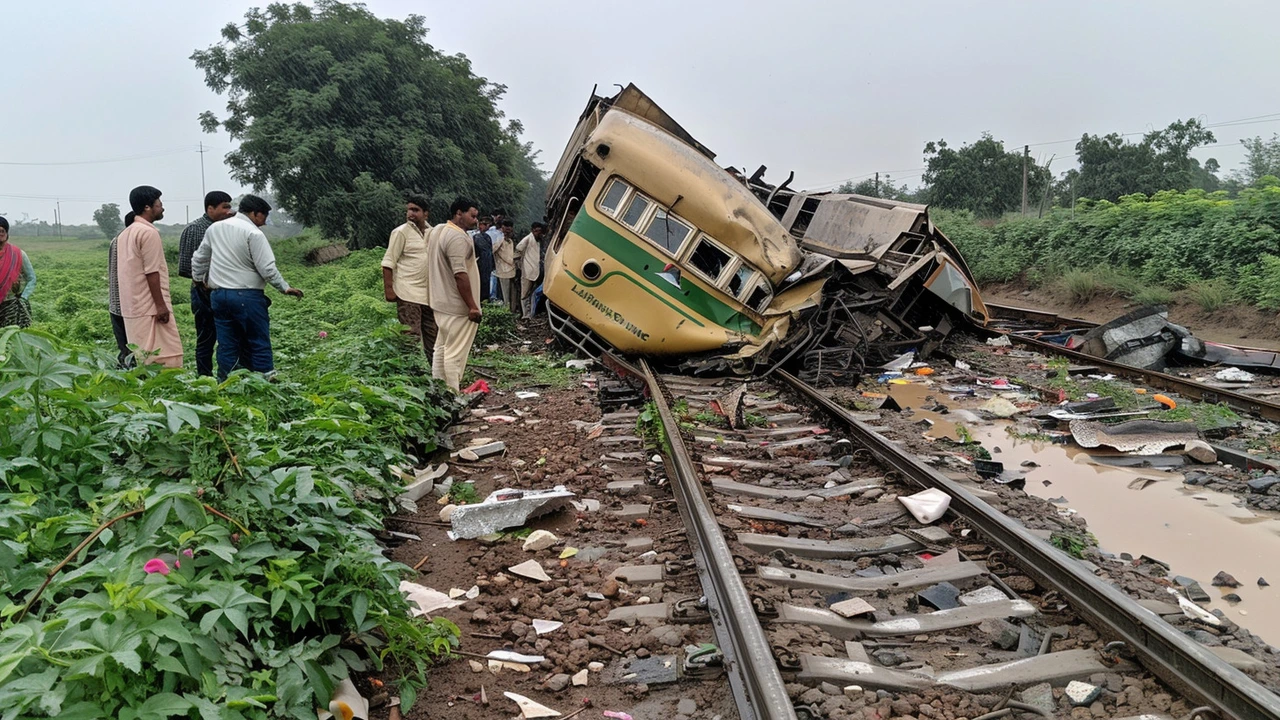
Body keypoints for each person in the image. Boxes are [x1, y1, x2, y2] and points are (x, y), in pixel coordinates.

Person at [191, 194, 303, 381]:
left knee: (227, 344)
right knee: (258, 340)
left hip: (218, 296)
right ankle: (265, 381)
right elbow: (267, 268)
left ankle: (227, 383)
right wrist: (284, 287)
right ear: (254, 213)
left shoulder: (214, 228)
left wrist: (198, 279)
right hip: (247, 296)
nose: (264, 222)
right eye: (264, 216)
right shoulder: (254, 234)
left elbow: (200, 258)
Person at [117, 186, 182, 368]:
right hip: (150, 306)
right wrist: (160, 306)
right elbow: (152, 272)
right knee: (166, 358)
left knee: (142, 357)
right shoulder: (148, 233)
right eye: (159, 204)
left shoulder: (125, 233)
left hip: (132, 306)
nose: (162, 208)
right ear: (147, 207)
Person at [177, 191, 235, 377]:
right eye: (224, 206)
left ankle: (228, 376)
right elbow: (186, 267)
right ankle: (204, 377)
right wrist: (206, 281)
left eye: (229, 206)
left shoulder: (227, 227)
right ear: (210, 208)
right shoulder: (195, 229)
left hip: (226, 291)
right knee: (207, 338)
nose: (229, 210)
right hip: (203, 293)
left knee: (229, 337)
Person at [427, 197, 481, 392]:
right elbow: (460, 274)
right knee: (454, 353)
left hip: (440, 302)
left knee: (440, 348)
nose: (476, 220)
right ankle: (452, 394)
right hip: (457, 306)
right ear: (459, 213)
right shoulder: (457, 237)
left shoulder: (439, 231)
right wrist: (472, 306)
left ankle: (439, 392)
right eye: (472, 216)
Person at [381, 194, 437, 357]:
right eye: (409, 210)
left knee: (433, 336)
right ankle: (410, 376)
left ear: (426, 213)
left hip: (428, 295)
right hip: (407, 293)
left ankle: (435, 375)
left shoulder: (432, 233)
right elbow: (388, 263)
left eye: (415, 210)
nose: (410, 214)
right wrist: (389, 290)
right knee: (410, 337)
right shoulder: (400, 232)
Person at [108, 212, 138, 368]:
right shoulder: (130, 241)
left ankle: (125, 370)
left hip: (116, 302)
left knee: (124, 346)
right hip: (130, 304)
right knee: (135, 347)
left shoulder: (117, 239)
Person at [0, 216, 36, 328]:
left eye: (2, 231)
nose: (0, 234)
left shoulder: (18, 254)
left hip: (11, 307)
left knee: (10, 341)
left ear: (7, 233)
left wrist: (24, 297)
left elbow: (31, 278)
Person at [515, 222, 547, 320]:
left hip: (536, 271)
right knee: (524, 294)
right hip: (527, 271)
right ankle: (526, 314)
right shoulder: (527, 239)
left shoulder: (539, 241)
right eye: (537, 231)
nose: (539, 233)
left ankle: (532, 313)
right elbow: (518, 249)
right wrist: (520, 265)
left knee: (532, 293)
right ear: (532, 230)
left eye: (540, 231)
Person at [492, 219, 518, 314]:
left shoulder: (511, 241)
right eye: (506, 230)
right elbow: (493, 250)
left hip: (512, 270)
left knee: (513, 295)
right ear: (502, 228)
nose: (508, 232)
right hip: (502, 271)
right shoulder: (499, 239)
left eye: (510, 230)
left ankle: (512, 313)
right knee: (505, 295)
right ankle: (506, 313)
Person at [472, 215, 494, 302]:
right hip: (480, 263)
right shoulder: (476, 236)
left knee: (486, 283)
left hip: (487, 263)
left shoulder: (488, 237)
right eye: (483, 224)